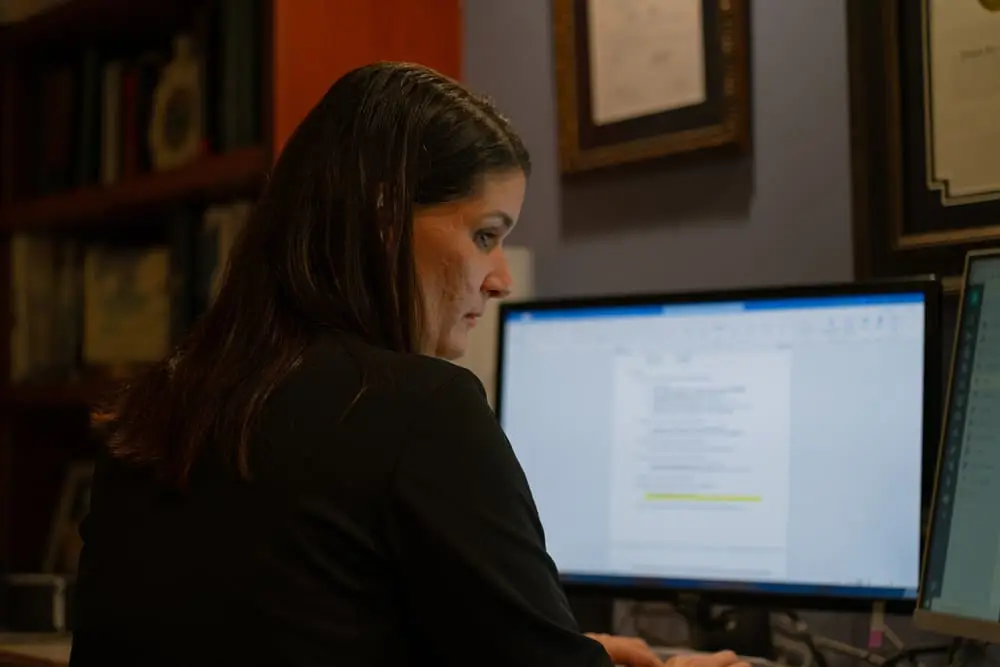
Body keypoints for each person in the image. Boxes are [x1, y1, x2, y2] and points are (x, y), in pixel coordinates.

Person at [69, 62, 748, 667]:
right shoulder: (423, 410)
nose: (500, 278)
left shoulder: (158, 402)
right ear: (384, 218)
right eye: (486, 235)